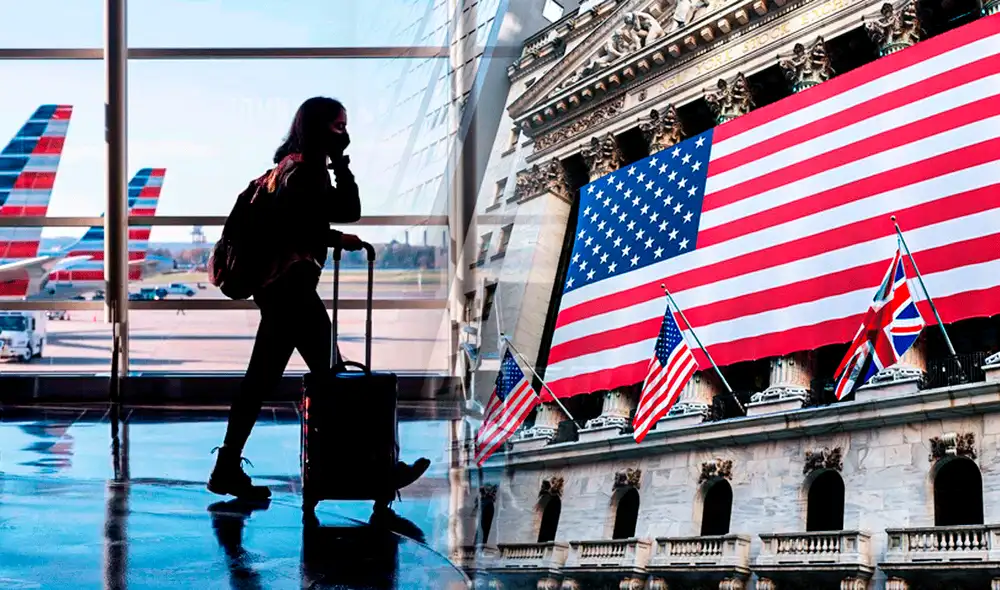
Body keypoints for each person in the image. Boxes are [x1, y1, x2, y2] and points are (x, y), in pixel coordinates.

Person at [208, 97, 430, 500]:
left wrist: (341, 163)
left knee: (275, 379)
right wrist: (334, 238)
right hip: (291, 289)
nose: (344, 132)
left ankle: (227, 467)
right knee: (332, 378)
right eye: (337, 126)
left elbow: (348, 208)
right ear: (317, 127)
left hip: (281, 290)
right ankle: (377, 468)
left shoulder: (290, 169)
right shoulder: (303, 171)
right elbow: (296, 225)